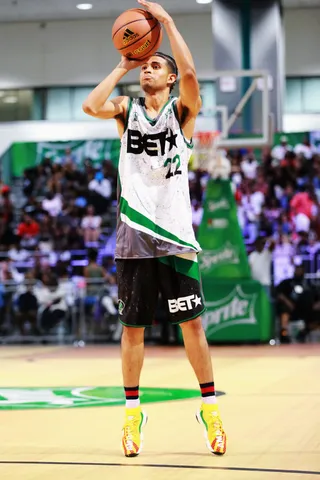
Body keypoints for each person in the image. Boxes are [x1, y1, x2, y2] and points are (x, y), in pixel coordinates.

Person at [83, 0, 226, 457]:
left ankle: (209, 408)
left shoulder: (183, 113)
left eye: (155, 65)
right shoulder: (125, 110)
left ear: (168, 78)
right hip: (133, 234)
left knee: (193, 326)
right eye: (145, 66)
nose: (149, 70)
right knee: (132, 330)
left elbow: (190, 72)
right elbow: (91, 105)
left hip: (176, 234)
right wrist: (120, 64)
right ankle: (132, 415)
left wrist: (166, 23)